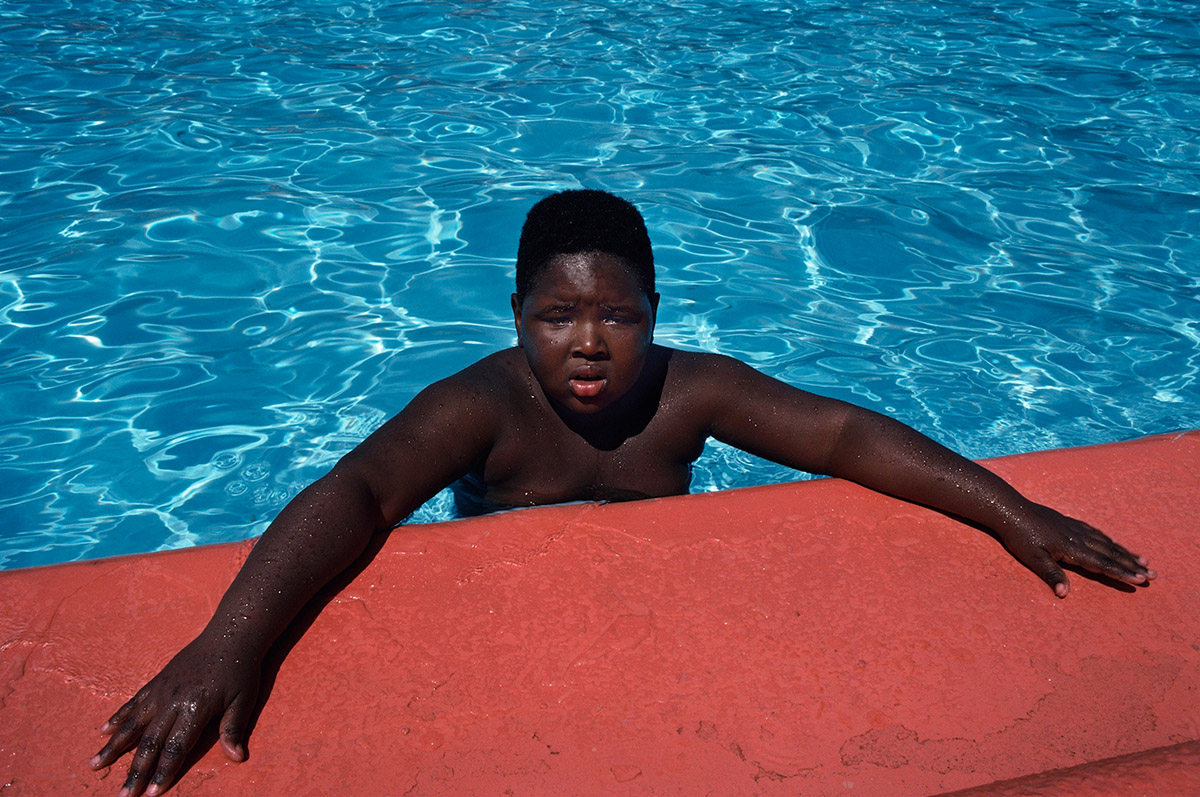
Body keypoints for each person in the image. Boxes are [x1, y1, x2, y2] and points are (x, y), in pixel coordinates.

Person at [89, 189, 1155, 796]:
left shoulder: (687, 392)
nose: (590, 343)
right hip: (517, 604)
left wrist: (1013, 508)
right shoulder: (484, 406)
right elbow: (363, 491)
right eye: (559, 316)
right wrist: (229, 641)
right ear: (516, 315)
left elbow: (840, 432)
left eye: (620, 316)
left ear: (656, 310)